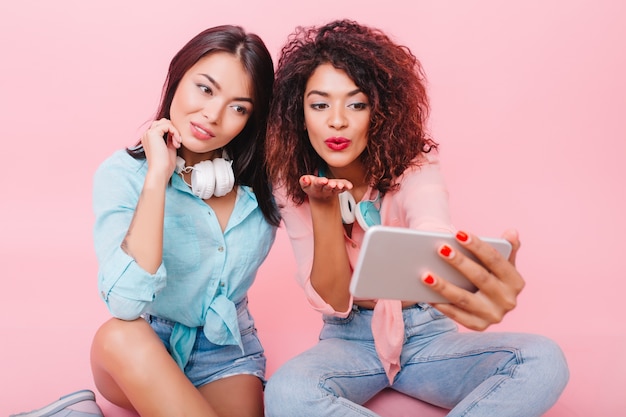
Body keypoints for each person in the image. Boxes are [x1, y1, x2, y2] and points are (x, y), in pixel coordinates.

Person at [264, 19, 569, 417]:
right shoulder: (290, 181)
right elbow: (334, 301)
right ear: (300, 115)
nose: (337, 120)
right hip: (348, 341)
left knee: (544, 359)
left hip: (428, 335)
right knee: (287, 394)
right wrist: (322, 211)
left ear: (379, 112)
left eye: (356, 104)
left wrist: (457, 266)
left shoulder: (414, 165)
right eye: (319, 104)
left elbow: (432, 225)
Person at [12, 25, 279, 417]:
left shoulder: (264, 182)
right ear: (177, 76)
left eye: (238, 107)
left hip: (225, 352)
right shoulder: (122, 176)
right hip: (137, 345)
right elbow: (124, 302)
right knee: (121, 332)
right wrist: (157, 176)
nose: (213, 114)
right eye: (204, 88)